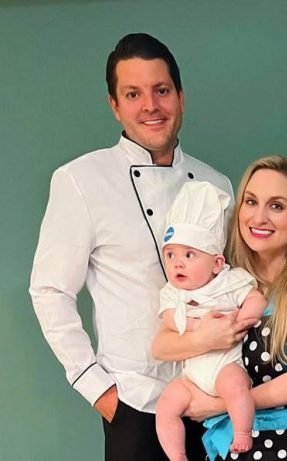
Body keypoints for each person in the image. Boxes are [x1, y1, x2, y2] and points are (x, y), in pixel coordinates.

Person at [29, 33, 233, 460]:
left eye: (162, 90)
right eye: (133, 94)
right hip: (135, 404)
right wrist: (100, 391)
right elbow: (50, 290)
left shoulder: (216, 185)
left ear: (181, 97)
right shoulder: (81, 180)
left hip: (213, 401)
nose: (150, 106)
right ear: (114, 105)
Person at [152, 155, 287, 461]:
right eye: (251, 202)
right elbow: (161, 345)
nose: (259, 217)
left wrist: (219, 404)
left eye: (276, 206)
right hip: (228, 448)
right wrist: (204, 337)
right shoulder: (221, 278)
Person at [155, 181, 267, 460]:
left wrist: (243, 318)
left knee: (237, 387)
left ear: (217, 263)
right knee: (166, 406)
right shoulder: (172, 293)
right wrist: (197, 326)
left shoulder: (229, 282)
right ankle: (177, 455)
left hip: (224, 365)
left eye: (189, 255)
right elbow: (169, 319)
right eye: (170, 255)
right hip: (191, 375)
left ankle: (242, 432)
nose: (177, 263)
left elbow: (255, 297)